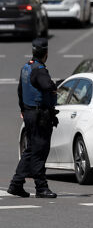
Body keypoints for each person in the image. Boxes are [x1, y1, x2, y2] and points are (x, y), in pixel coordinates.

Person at [7, 39, 58, 198]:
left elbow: (20, 91)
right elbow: (47, 86)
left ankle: (16, 184)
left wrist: (23, 109)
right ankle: (41, 187)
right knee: (40, 150)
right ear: (46, 53)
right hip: (39, 115)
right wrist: (53, 87)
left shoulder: (26, 67)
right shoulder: (40, 70)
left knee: (30, 150)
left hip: (30, 113)